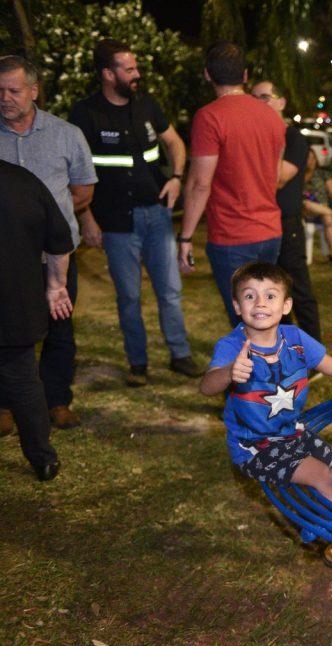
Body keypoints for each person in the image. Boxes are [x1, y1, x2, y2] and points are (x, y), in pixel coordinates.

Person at [199, 261, 332, 587]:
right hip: (255, 447)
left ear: (286, 306)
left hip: (291, 432)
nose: (260, 303)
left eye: (270, 296)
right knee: (322, 476)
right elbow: (207, 386)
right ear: (237, 306)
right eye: (250, 296)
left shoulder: (294, 339)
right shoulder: (232, 346)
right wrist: (229, 373)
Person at [69, 39, 201, 388]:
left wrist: (176, 177)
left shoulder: (147, 105)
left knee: (170, 291)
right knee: (129, 297)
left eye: (136, 67)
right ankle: (137, 363)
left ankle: (179, 354)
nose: (137, 74)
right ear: (108, 74)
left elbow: (174, 142)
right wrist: (87, 219)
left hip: (156, 216)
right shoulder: (85, 114)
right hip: (114, 223)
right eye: (129, 69)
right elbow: (74, 172)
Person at [0, 55, 97, 430]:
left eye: (14, 90)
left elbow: (83, 192)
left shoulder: (66, 134)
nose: (5, 98)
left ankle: (57, 400)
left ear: (34, 91)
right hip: (8, 261)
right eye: (0, 91)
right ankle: (6, 406)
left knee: (60, 328)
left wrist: (46, 224)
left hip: (57, 258)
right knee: (6, 331)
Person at [178, 42, 286, 326]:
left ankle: (257, 371)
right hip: (271, 231)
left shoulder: (209, 117)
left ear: (207, 75)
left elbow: (201, 183)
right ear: (246, 75)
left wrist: (186, 236)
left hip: (232, 235)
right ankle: (275, 369)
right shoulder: (272, 117)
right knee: (265, 319)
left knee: (246, 324)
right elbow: (275, 176)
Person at [0, 160, 74, 479]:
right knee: (23, 381)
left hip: (13, 307)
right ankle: (43, 459)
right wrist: (56, 285)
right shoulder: (23, 181)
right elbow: (59, 241)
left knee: (22, 381)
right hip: (15, 306)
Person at [250, 80, 321, 342]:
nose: (258, 104)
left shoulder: (293, 139)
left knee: (298, 289)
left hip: (286, 225)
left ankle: (315, 351)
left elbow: (279, 178)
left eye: (265, 97)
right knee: (268, 290)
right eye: (254, 98)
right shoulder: (253, 137)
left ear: (281, 102)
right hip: (258, 224)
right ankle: (282, 345)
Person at [302, 148, 332, 265]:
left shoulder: (323, 174)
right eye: (308, 159)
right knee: (307, 203)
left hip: (323, 211)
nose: (311, 161)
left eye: (313, 158)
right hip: (306, 211)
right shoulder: (298, 175)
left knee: (327, 217)